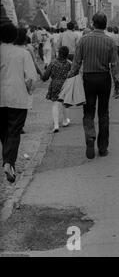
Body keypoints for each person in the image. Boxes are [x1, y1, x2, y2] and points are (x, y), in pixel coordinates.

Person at [66, 12, 119, 159]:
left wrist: (70, 78)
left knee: (88, 112)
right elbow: (115, 65)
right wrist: (118, 84)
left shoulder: (83, 40)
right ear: (105, 24)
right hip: (104, 79)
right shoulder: (110, 42)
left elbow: (76, 63)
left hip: (88, 79)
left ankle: (90, 136)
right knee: (104, 113)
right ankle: (103, 148)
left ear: (93, 23)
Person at [0, 23, 38, 183]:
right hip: (18, 98)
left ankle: (8, 162)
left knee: (3, 132)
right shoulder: (23, 54)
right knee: (14, 132)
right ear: (15, 36)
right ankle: (9, 163)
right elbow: (30, 78)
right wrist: (29, 90)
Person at [41, 46, 72, 133]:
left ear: (59, 53)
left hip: (55, 84)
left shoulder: (53, 63)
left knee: (55, 104)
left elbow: (46, 76)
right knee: (65, 103)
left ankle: (56, 125)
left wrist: (42, 76)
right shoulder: (69, 63)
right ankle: (65, 121)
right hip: (65, 84)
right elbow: (74, 73)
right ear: (67, 54)